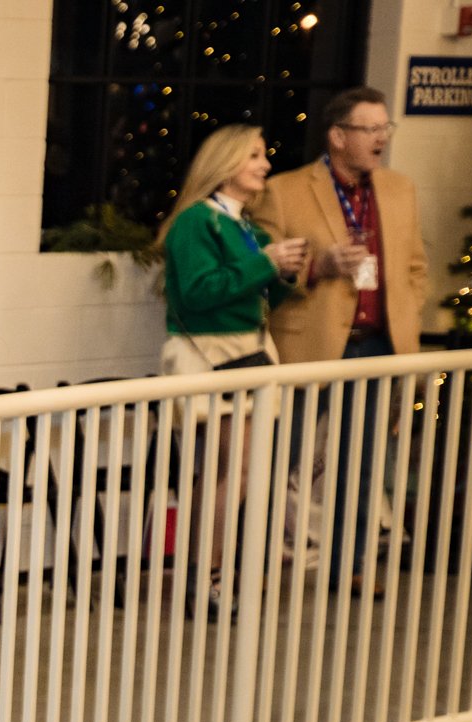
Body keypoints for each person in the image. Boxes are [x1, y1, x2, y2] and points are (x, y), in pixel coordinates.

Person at [252, 87, 428, 585]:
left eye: (385, 128)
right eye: (370, 129)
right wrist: (317, 266)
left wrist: (406, 308)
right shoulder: (284, 191)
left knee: (362, 463)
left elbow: (415, 266)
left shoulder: (399, 189)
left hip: (376, 344)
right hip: (307, 345)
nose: (381, 139)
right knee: (279, 458)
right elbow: (263, 274)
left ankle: (349, 566)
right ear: (337, 135)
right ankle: (257, 561)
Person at [157, 125, 307, 610]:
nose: (265, 165)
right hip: (212, 355)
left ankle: (201, 570)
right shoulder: (195, 223)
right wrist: (266, 262)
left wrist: (284, 272)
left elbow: (254, 294)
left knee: (223, 471)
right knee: (235, 470)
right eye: (254, 156)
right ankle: (207, 575)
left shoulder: (246, 226)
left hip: (249, 351)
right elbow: (199, 292)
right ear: (225, 163)